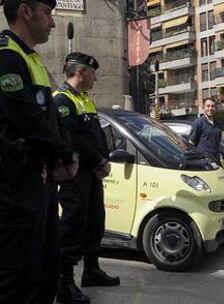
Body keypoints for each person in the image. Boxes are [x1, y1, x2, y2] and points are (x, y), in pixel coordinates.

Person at [0, 1, 79, 303]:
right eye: (48, 13)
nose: (53, 23)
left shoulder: (33, 60)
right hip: (15, 188)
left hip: (41, 186)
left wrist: (66, 153)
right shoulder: (7, 56)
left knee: (46, 270)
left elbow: (53, 120)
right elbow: (27, 119)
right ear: (25, 11)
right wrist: (66, 155)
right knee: (18, 279)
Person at [54, 52, 120, 304]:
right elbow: (74, 139)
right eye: (93, 73)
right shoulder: (62, 99)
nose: (96, 78)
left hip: (92, 174)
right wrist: (99, 161)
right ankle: (64, 283)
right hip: (76, 174)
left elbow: (96, 135)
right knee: (72, 226)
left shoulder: (84, 99)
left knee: (95, 223)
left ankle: (91, 271)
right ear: (81, 72)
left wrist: (104, 158)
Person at [189, 98, 222, 165]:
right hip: (204, 162)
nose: (210, 108)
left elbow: (218, 143)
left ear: (215, 108)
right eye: (208, 106)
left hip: (216, 160)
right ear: (204, 108)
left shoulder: (218, 124)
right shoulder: (198, 123)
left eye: (212, 106)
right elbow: (191, 144)